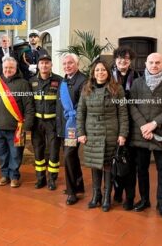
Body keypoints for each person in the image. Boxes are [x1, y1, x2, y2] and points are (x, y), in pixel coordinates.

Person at [129, 53, 162, 219]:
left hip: (161, 134)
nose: (154, 65)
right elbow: (131, 106)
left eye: (158, 62)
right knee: (141, 169)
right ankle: (144, 200)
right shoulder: (137, 83)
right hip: (141, 133)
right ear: (145, 63)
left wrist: (154, 124)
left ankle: (161, 203)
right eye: (151, 62)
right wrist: (144, 125)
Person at [77, 60, 128, 212]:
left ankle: (107, 197)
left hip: (110, 132)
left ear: (108, 72)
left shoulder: (116, 89)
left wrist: (122, 134)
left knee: (107, 166)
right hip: (92, 133)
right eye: (97, 70)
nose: (100, 73)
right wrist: (81, 132)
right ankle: (96, 195)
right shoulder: (86, 89)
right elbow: (81, 112)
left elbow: (123, 112)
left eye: (103, 70)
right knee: (94, 165)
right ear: (93, 73)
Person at [0, 57, 34, 188]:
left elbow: (29, 106)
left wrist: (27, 125)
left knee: (15, 154)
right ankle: (4, 175)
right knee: (1, 153)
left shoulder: (23, 83)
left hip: (15, 128)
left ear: (16, 68)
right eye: (6, 68)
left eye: (11, 68)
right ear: (2, 68)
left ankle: (14, 176)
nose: (8, 70)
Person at [111, 46, 141, 210]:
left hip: (133, 125)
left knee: (130, 163)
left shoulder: (137, 76)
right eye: (120, 58)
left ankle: (129, 197)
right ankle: (117, 190)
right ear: (115, 60)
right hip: (113, 124)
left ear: (131, 61)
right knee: (115, 160)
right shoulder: (108, 76)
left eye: (127, 58)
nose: (123, 61)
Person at [56, 53, 86, 205]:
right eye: (64, 64)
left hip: (74, 126)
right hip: (63, 126)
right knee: (71, 157)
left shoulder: (83, 81)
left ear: (77, 64)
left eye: (70, 63)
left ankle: (72, 191)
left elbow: (82, 107)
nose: (67, 66)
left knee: (68, 156)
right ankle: (78, 185)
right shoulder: (63, 80)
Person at [29, 53, 63, 190]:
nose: (44, 65)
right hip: (37, 123)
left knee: (54, 152)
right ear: (38, 65)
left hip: (53, 123)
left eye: (47, 63)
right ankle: (40, 178)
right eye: (42, 63)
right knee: (38, 151)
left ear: (51, 65)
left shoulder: (59, 81)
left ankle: (52, 179)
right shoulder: (31, 82)